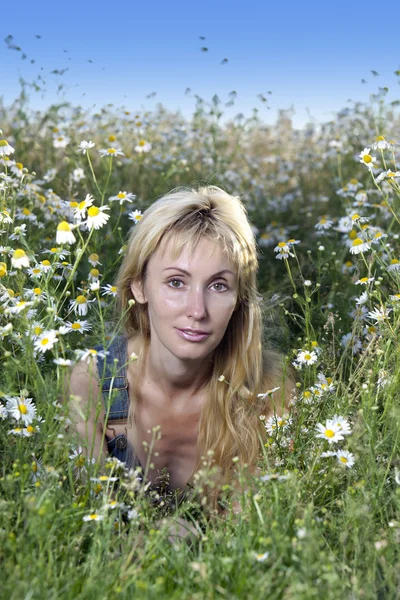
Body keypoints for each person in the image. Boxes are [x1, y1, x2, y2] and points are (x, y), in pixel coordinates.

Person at [65, 185, 294, 535]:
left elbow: (248, 535)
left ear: (238, 300)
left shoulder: (266, 394)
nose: (197, 311)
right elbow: (95, 524)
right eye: (176, 282)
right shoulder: (91, 383)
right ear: (138, 286)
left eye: (218, 286)